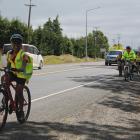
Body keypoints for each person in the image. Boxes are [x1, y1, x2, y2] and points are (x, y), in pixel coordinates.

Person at [1, 34, 33, 120]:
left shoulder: (23, 54)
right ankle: (6, 95)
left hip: (22, 75)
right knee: (4, 78)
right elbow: (8, 64)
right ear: (11, 44)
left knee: (19, 91)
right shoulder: (9, 53)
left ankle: (21, 111)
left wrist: (21, 69)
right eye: (13, 43)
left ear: (21, 44)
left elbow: (25, 62)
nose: (15, 45)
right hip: (14, 72)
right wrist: (6, 69)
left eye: (17, 43)